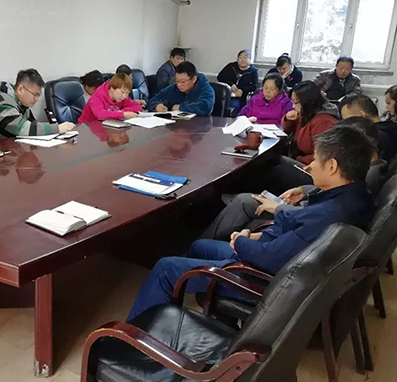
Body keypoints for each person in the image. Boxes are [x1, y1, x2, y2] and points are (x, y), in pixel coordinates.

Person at [127, 125, 375, 321]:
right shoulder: (357, 197)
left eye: (316, 160)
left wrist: (242, 240)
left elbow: (268, 258)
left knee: (165, 267)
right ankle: (187, 304)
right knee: (200, 246)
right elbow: (296, 230)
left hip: (260, 280)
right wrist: (257, 236)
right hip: (277, 263)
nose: (309, 166)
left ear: (332, 166)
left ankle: (132, 344)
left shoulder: (327, 215)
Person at [202, 117, 389, 241]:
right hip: (305, 209)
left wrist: (278, 209)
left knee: (248, 198)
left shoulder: (366, 181)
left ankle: (204, 245)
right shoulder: (370, 170)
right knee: (249, 198)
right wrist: (305, 191)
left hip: (300, 221)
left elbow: (319, 217)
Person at [261, 81, 340, 193]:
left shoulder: (324, 121)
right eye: (292, 102)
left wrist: (298, 159)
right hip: (301, 160)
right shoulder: (308, 113)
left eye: (296, 103)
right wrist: (288, 119)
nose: (293, 106)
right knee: (268, 160)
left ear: (307, 102)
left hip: (315, 170)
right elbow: (290, 129)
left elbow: (324, 156)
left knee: (276, 169)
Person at [0, 69, 75, 140]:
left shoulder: (20, 103)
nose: (36, 99)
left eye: (38, 95)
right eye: (35, 94)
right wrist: (56, 128)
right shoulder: (3, 101)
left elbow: (33, 123)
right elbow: (21, 128)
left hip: (8, 145)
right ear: (21, 89)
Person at [341, 94, 397, 163]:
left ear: (361, 116)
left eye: (347, 120)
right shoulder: (391, 129)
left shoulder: (371, 139)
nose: (345, 124)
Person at [146, 61, 215, 116]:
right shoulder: (174, 88)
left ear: (194, 79)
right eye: (177, 81)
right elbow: (153, 100)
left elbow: (205, 107)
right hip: (176, 125)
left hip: (199, 126)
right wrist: (156, 106)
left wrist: (180, 107)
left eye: (183, 82)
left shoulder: (206, 89)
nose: (179, 85)